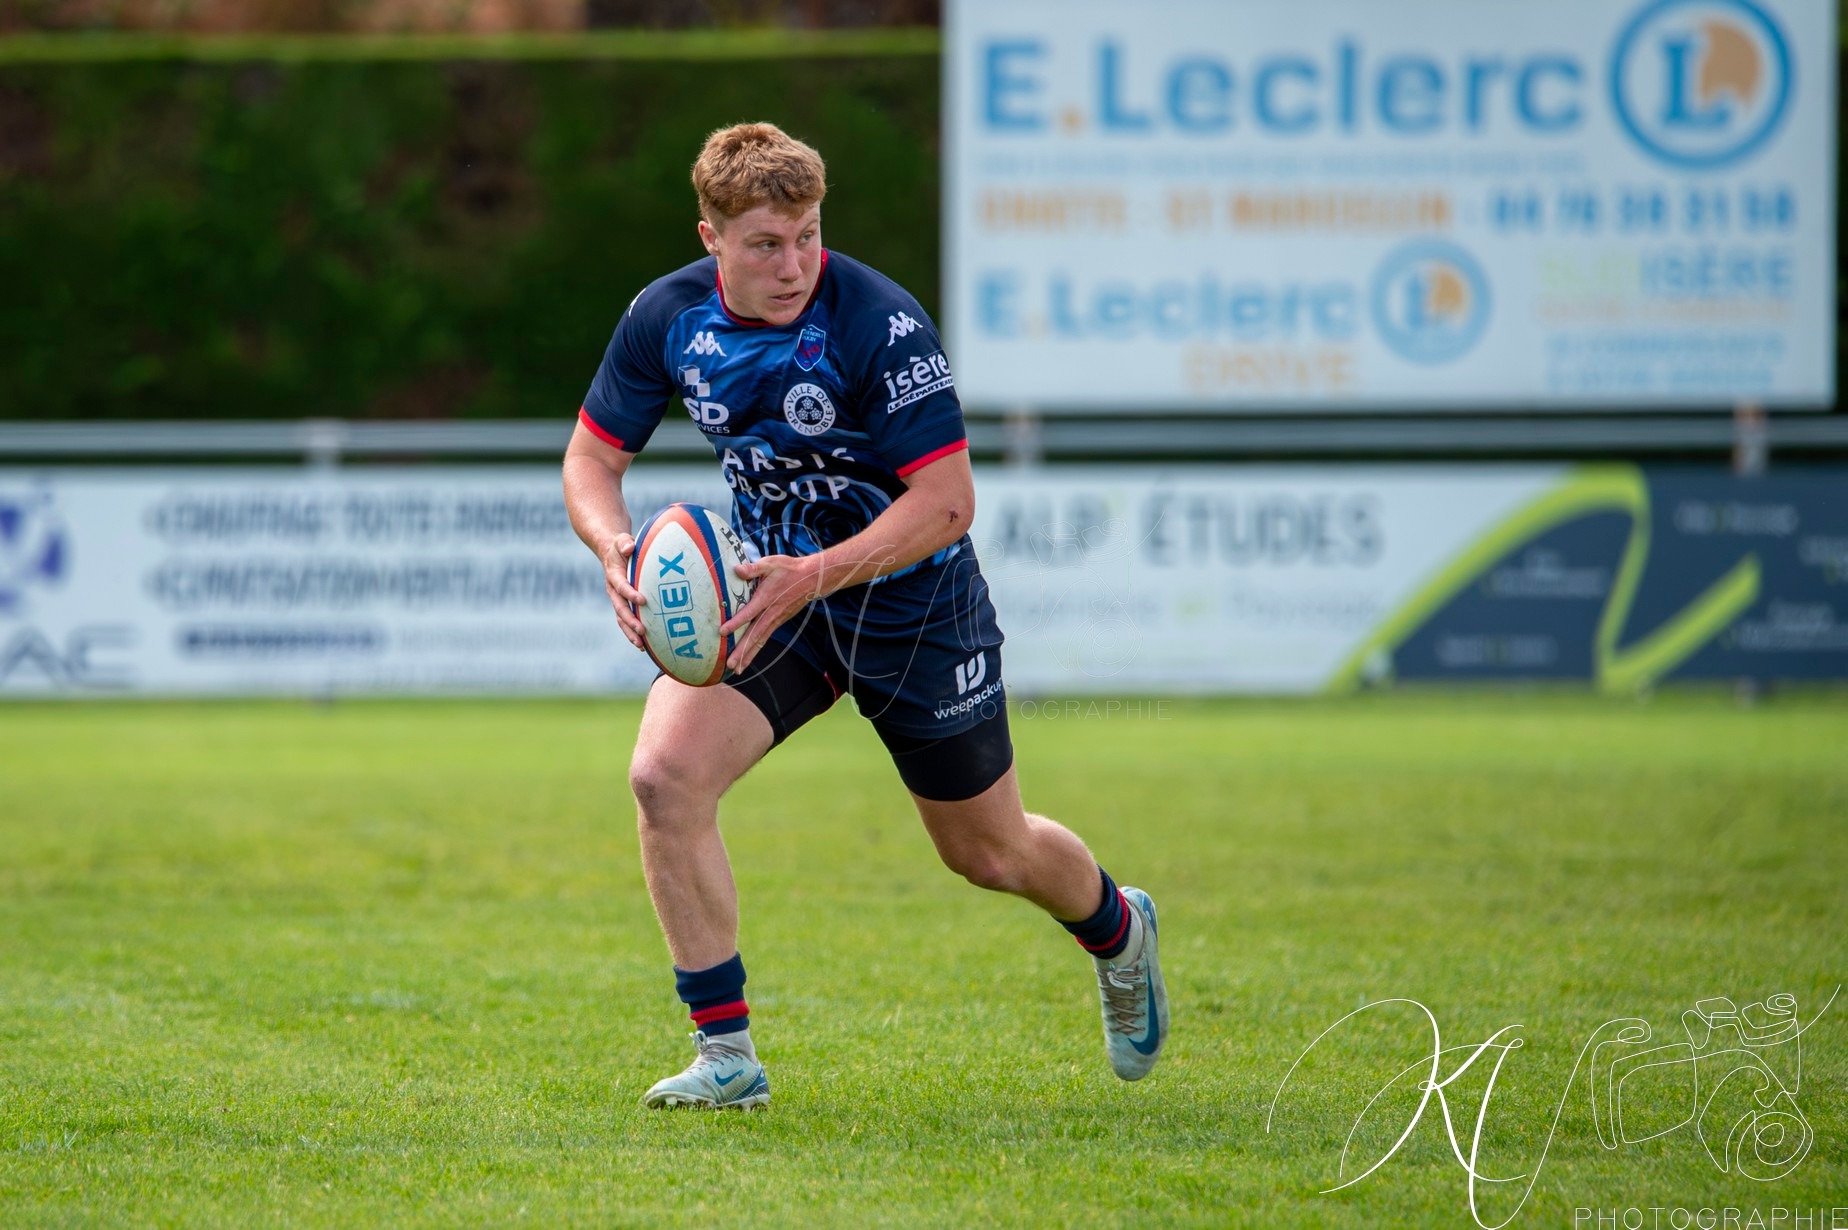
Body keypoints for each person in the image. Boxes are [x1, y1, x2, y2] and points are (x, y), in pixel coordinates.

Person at [561, 122, 1168, 1110]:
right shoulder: (666, 316)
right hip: (772, 591)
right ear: (711, 237)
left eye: (807, 236)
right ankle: (726, 1057)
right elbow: (593, 458)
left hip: (913, 603)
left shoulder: (878, 323)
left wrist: (819, 573)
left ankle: (1118, 929)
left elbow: (948, 504)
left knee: (987, 853)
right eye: (766, 244)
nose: (794, 264)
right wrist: (614, 547)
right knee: (664, 779)